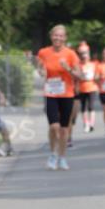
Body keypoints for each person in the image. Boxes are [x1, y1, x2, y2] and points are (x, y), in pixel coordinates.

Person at [36, 25, 82, 170]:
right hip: (51, 93)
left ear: (65, 38)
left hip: (67, 94)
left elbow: (79, 75)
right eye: (56, 35)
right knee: (53, 126)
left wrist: (67, 68)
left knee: (64, 129)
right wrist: (42, 72)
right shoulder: (43, 52)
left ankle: (62, 157)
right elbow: (40, 70)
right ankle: (53, 154)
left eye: (61, 36)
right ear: (51, 37)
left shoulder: (71, 54)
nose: (58, 38)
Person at [77, 44, 100, 133]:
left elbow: (97, 75)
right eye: (82, 55)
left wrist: (96, 78)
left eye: (85, 55)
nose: (84, 57)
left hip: (92, 87)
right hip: (82, 88)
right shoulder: (78, 65)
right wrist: (81, 76)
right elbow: (76, 76)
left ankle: (91, 124)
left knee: (91, 106)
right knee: (83, 107)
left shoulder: (93, 64)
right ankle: (86, 124)